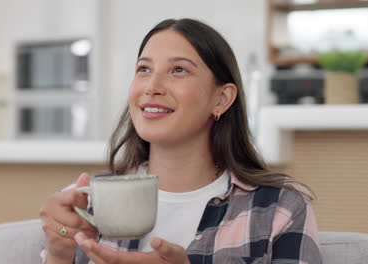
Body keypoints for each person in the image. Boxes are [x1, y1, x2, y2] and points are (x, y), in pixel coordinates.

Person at [39, 18, 322, 264]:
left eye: (178, 70)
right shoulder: (84, 204)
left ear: (221, 99)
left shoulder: (280, 207)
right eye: (144, 70)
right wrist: (59, 255)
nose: (152, 87)